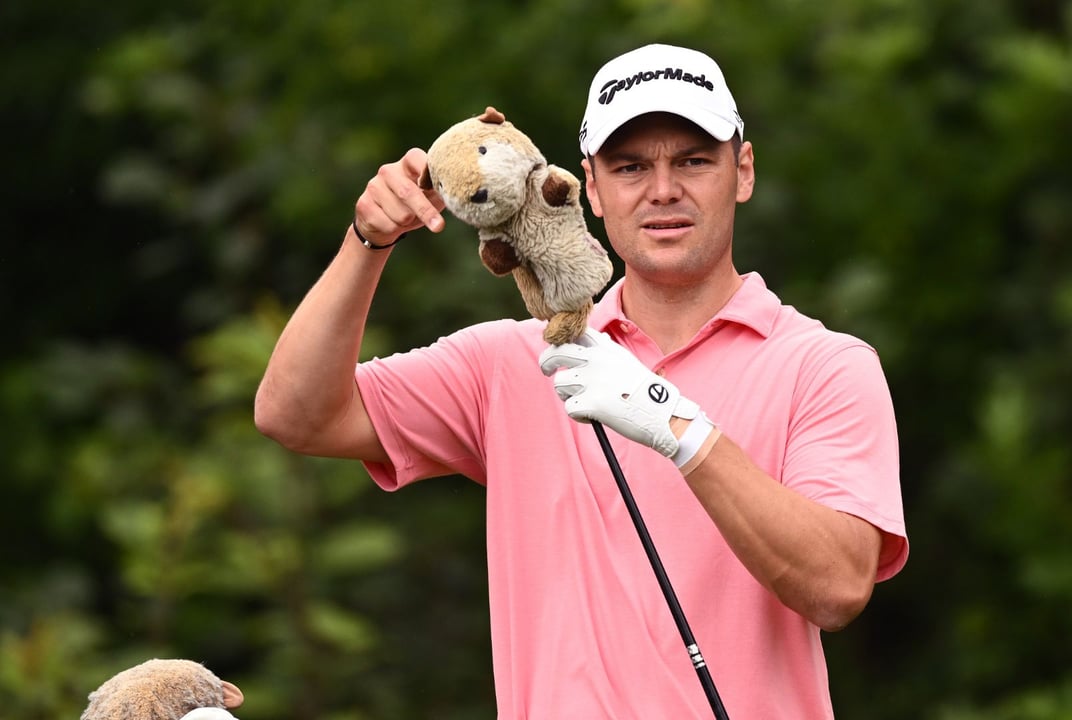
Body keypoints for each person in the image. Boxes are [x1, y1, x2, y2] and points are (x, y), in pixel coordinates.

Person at [255, 42, 908, 719]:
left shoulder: (824, 365)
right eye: (631, 167)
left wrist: (676, 426)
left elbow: (838, 586)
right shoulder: (512, 361)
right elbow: (295, 414)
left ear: (741, 171)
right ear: (590, 187)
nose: (663, 190)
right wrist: (367, 241)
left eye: (693, 161)